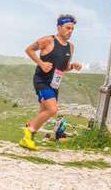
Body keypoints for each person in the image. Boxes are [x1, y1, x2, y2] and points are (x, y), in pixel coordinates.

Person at [19, 14, 82, 150]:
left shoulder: (70, 47)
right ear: (59, 27)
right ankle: (28, 132)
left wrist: (72, 66)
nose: (70, 31)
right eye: (67, 28)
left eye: (72, 29)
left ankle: (27, 138)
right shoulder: (48, 40)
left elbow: (63, 67)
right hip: (41, 80)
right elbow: (29, 49)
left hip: (55, 83)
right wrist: (41, 63)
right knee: (52, 109)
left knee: (43, 112)